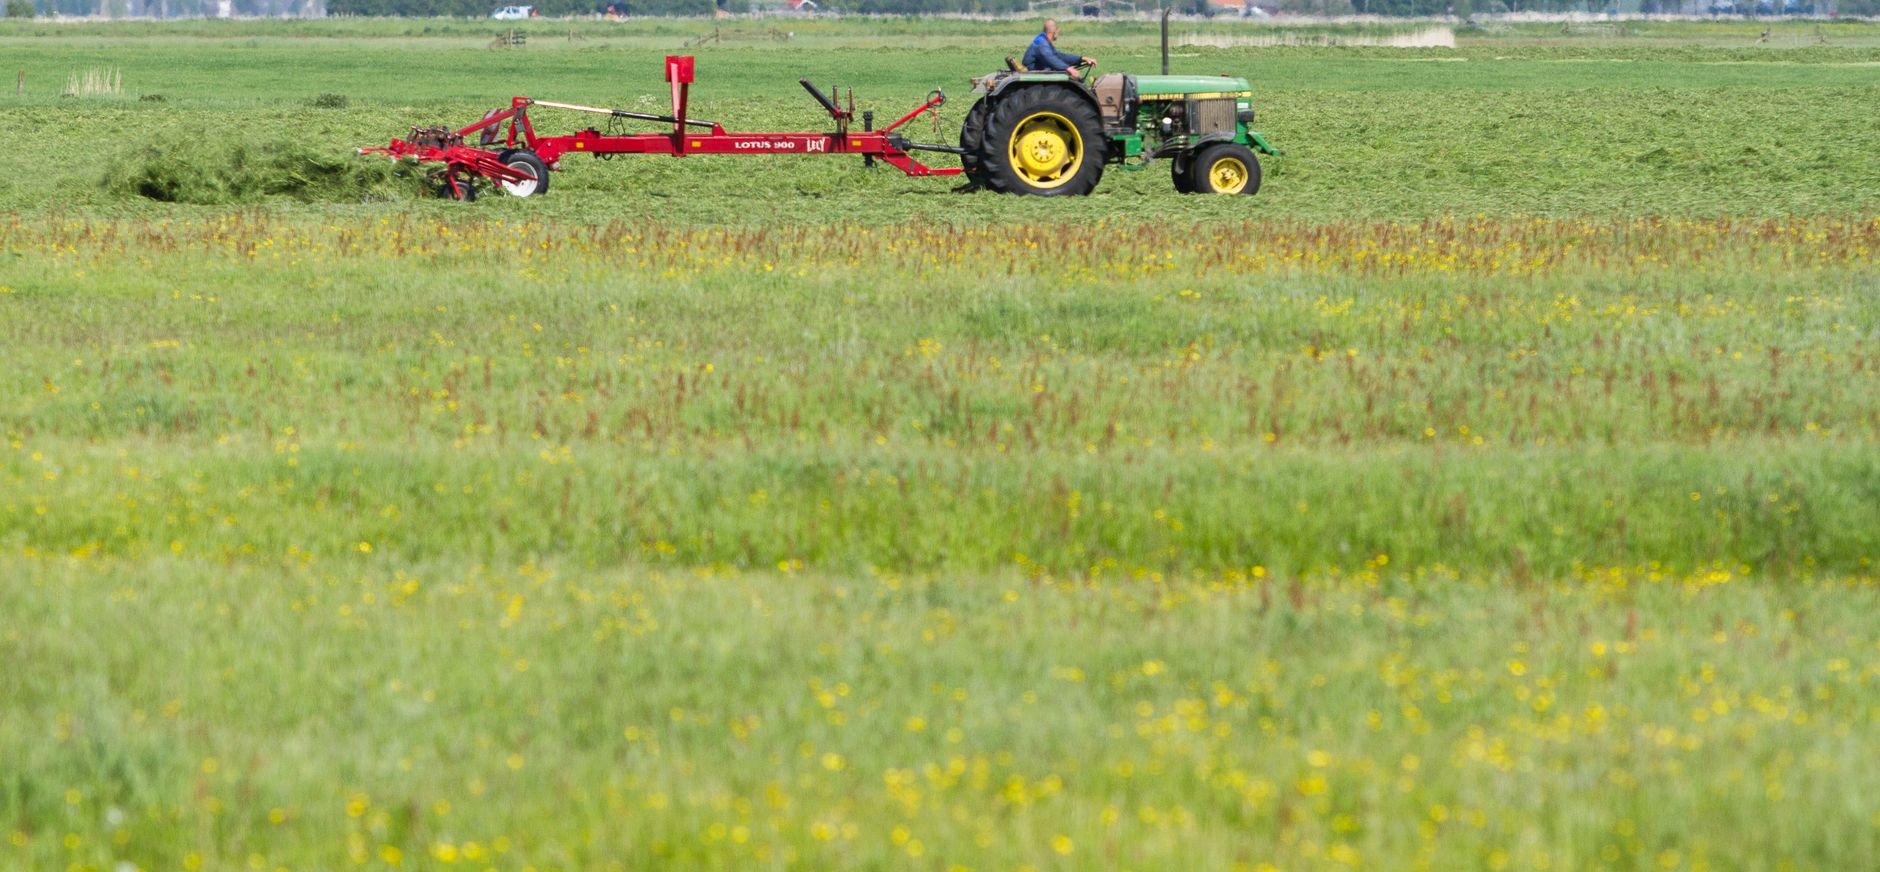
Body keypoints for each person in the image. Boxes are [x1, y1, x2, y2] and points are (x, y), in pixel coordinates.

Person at [1022, 20, 1095, 80]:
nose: (1058, 34)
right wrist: (1068, 68)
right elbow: (1050, 58)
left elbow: (1059, 56)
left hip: (1038, 70)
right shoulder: (1041, 43)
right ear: (1054, 31)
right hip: (1033, 72)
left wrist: (1081, 59)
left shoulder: (1043, 41)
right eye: (1058, 32)